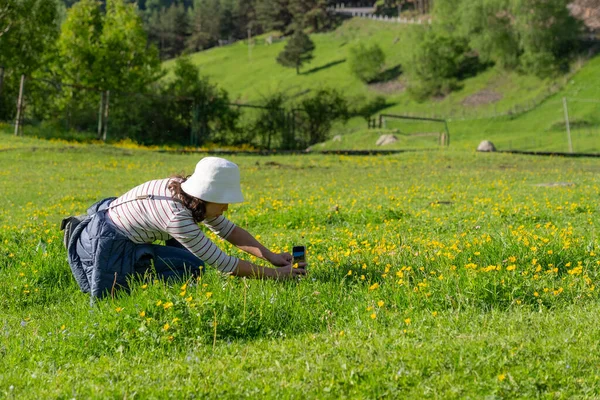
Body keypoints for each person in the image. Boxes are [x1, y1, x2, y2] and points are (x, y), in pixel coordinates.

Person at [65, 156, 306, 299]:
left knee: (186, 254)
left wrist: (272, 257)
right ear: (207, 196)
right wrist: (276, 276)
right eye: (224, 201)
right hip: (105, 246)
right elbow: (224, 264)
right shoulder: (177, 217)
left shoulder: (183, 191)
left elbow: (229, 231)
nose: (227, 207)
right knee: (193, 266)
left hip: (110, 230)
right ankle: (143, 286)